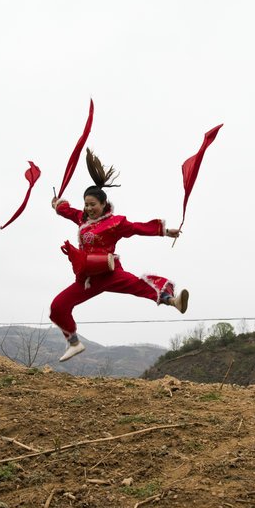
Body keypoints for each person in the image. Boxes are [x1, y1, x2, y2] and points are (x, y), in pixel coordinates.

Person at [50, 149, 189, 362]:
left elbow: (136, 228)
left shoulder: (115, 223)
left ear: (103, 204)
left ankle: (173, 301)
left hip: (109, 272)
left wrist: (164, 231)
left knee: (139, 285)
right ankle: (74, 343)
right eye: (86, 204)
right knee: (58, 306)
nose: (88, 208)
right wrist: (58, 204)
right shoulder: (82, 218)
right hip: (87, 279)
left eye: (93, 205)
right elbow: (67, 211)